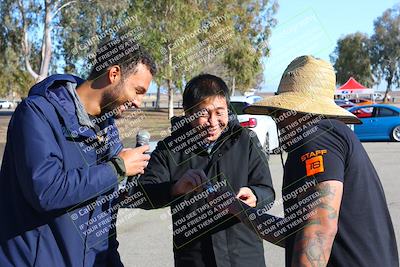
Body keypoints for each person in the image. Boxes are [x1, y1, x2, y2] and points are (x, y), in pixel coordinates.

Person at [218, 55, 399, 267]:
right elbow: (298, 237)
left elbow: (318, 235)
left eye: (279, 110)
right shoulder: (330, 134)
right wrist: (238, 209)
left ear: (298, 110)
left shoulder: (317, 137)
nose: (276, 118)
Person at [0, 35, 156, 267]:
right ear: (114, 74)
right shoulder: (37, 113)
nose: (138, 102)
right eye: (138, 90)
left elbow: (105, 216)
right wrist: (117, 168)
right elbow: (47, 191)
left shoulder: (108, 128)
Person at [137, 74, 275, 267]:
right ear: (188, 113)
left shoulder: (246, 140)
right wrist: (174, 189)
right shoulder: (170, 149)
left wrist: (255, 196)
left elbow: (267, 191)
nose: (213, 121)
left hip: (244, 257)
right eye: (203, 113)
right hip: (194, 259)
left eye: (220, 112)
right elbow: (141, 195)